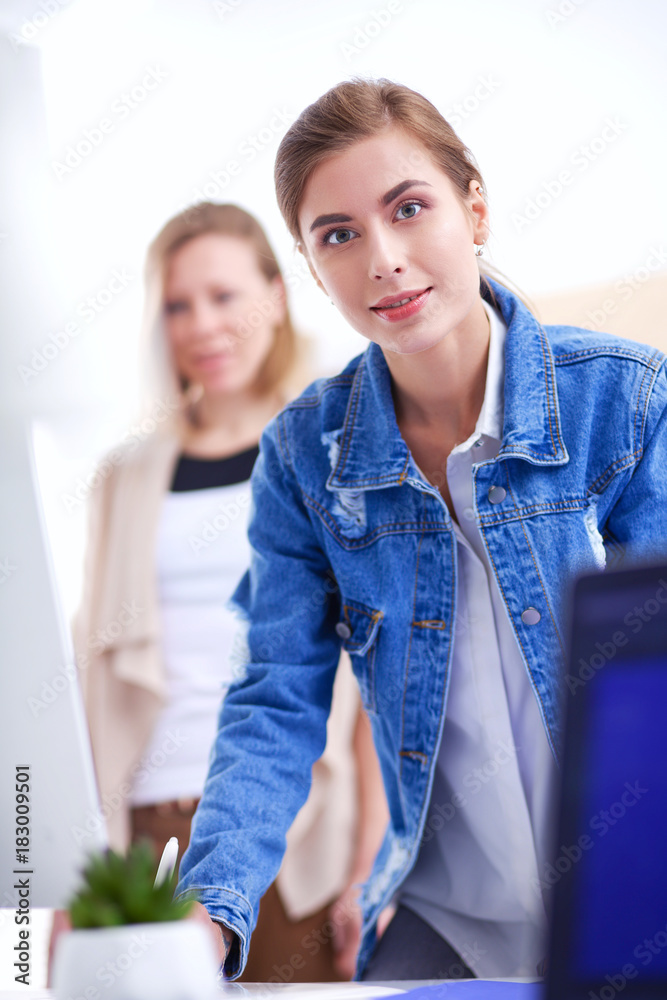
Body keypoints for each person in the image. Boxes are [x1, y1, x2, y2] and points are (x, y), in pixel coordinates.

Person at [177, 80, 667, 982]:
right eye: (339, 234)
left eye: (408, 208)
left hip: (636, 896)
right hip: (450, 918)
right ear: (311, 266)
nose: (383, 259)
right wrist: (207, 913)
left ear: (473, 208)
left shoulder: (626, 401)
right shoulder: (302, 458)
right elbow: (275, 698)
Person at [53, 202, 389, 983]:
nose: (201, 325)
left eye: (224, 296)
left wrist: (372, 858)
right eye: (177, 304)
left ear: (275, 295)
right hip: (143, 837)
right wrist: (62, 867)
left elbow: (376, 681)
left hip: (300, 833)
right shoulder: (124, 478)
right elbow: (87, 671)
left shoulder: (332, 452)